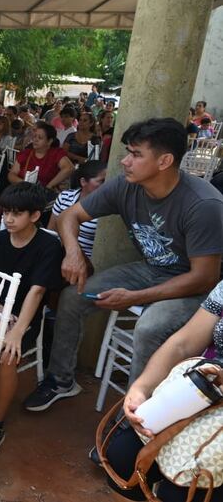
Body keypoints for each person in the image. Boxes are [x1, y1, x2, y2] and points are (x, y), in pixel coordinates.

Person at [24, 118, 223, 412]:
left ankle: (135, 416)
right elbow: (69, 217)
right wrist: (73, 253)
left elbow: (204, 279)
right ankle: (61, 379)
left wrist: (135, 298)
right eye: (127, 152)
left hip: (195, 289)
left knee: (149, 328)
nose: (125, 161)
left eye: (136, 154)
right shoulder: (125, 186)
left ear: (165, 161)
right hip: (151, 270)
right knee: (72, 297)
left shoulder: (203, 205)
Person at [0, 183, 64, 460]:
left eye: (16, 214)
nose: (8, 219)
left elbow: (38, 291)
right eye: (6, 212)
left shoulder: (48, 246)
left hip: (25, 316)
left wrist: (17, 331)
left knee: (7, 355)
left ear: (34, 216)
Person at [105, 279, 223, 502]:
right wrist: (141, 388)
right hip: (205, 389)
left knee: (184, 493)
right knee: (122, 457)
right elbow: (184, 343)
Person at [48, 161, 107, 260]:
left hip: (89, 262)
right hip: (58, 254)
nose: (107, 185)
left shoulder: (108, 207)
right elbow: (52, 231)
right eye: (102, 181)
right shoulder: (65, 197)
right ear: (83, 182)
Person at [8, 122, 74, 192]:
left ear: (49, 141)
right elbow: (12, 174)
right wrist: (25, 184)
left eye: (40, 138)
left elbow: (69, 168)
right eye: (34, 136)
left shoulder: (56, 153)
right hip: (24, 192)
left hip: (45, 196)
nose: (35, 140)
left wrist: (49, 186)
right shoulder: (25, 153)